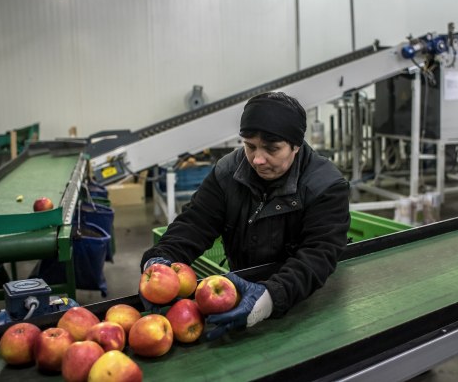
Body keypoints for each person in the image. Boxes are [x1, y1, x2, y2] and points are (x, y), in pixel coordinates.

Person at [140, 91, 350, 340]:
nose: (258, 159)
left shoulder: (325, 185)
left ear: (296, 145)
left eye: (272, 149)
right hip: (237, 295)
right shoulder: (228, 172)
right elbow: (195, 223)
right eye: (250, 146)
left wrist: (271, 296)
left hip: (303, 302)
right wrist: (159, 261)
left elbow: (318, 254)